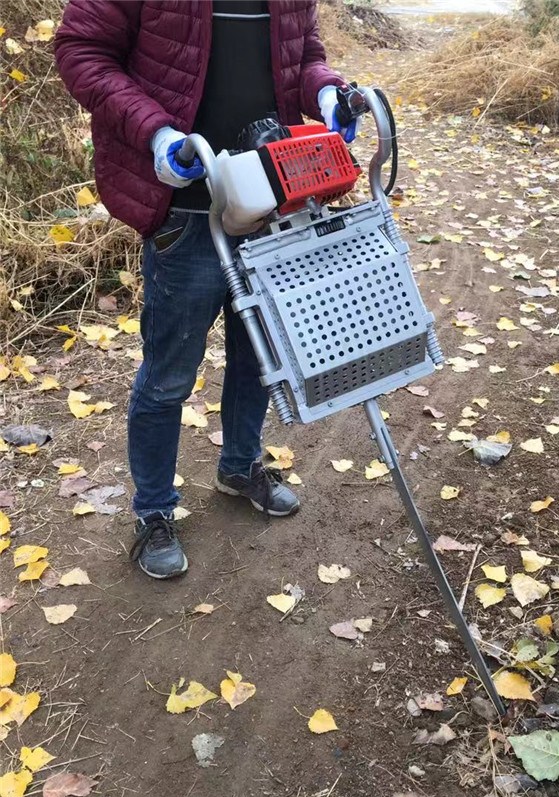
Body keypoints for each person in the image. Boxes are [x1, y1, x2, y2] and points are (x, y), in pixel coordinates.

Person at [55, 1, 359, 579]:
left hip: (274, 200)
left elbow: (304, 53)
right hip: (187, 211)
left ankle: (239, 466)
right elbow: (81, 50)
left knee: (257, 359)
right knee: (169, 375)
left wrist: (325, 91)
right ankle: (152, 513)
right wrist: (155, 132)